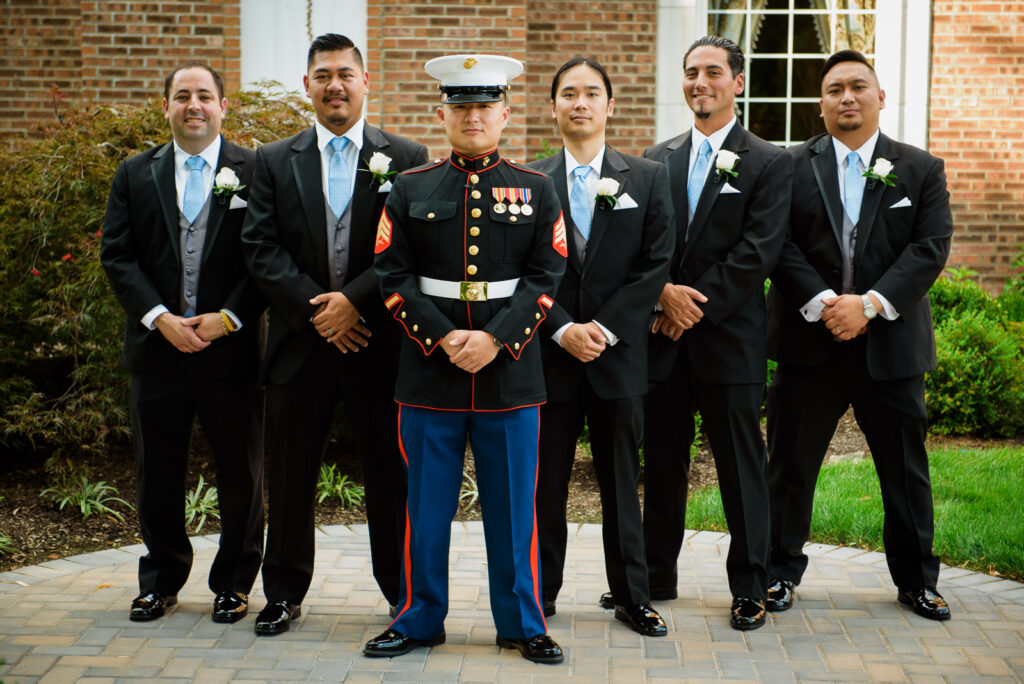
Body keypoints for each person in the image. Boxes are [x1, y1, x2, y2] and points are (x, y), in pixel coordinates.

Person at [368, 54, 567, 663]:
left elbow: (546, 275)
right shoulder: (409, 188)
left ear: (505, 115)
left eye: (484, 107)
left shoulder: (536, 189)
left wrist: (496, 339)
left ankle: (522, 623)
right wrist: (444, 337)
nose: (472, 116)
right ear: (442, 114)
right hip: (430, 372)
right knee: (424, 509)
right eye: (461, 106)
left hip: (510, 373)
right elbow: (391, 274)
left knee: (514, 512)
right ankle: (419, 617)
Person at [240, 33, 428, 635]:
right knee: (290, 476)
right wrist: (320, 311)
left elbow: (410, 248)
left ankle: (402, 595)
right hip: (302, 347)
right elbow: (260, 247)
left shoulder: (406, 154)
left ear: (366, 81)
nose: (335, 85)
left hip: (380, 347)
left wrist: (354, 302)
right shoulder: (272, 159)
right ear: (307, 87)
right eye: (323, 75)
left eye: (346, 73)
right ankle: (284, 594)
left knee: (389, 476)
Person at [765, 49, 953, 621]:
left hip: (891, 348)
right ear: (819, 104)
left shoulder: (920, 168)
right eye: (834, 89)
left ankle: (917, 581)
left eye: (858, 87)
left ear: (880, 98)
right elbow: (777, 241)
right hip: (809, 343)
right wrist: (826, 304)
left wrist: (868, 305)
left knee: (903, 470)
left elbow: (929, 248)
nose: (847, 97)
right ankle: (777, 574)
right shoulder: (789, 167)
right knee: (790, 466)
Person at [101, 63, 265, 624]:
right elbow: (118, 254)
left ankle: (235, 583)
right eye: (182, 96)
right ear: (165, 106)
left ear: (223, 106)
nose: (193, 105)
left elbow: (265, 253)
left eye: (204, 96)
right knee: (158, 469)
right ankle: (161, 579)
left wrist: (231, 317)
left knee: (240, 469)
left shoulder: (254, 168)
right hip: (157, 350)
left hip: (231, 350)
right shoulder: (134, 172)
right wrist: (158, 317)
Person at [640, 36, 792, 630]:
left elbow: (759, 252)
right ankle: (655, 575)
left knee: (740, 464)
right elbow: (648, 245)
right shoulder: (659, 157)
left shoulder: (770, 161)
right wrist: (662, 296)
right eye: (690, 73)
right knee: (663, 461)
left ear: (738, 82)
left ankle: (750, 585)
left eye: (711, 72)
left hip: (728, 339)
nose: (699, 82)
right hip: (663, 339)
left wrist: (691, 307)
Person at [528, 57, 674, 636]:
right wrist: (563, 328)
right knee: (545, 485)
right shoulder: (531, 181)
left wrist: (605, 330)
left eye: (591, 93)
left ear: (610, 106)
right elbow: (526, 270)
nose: (580, 103)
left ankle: (632, 596)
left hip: (618, 359)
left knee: (621, 483)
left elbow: (654, 264)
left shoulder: (647, 177)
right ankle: (539, 593)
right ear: (555, 106)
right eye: (569, 93)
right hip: (549, 356)